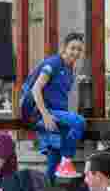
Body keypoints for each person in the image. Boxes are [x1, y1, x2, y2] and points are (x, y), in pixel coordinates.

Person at [20, 32, 86, 182]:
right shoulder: (53, 63)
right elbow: (36, 89)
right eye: (72, 48)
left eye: (79, 50)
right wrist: (45, 115)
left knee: (54, 156)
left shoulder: (71, 70)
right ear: (64, 48)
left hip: (55, 113)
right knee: (79, 122)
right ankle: (67, 161)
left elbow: (59, 97)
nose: (76, 52)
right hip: (38, 113)